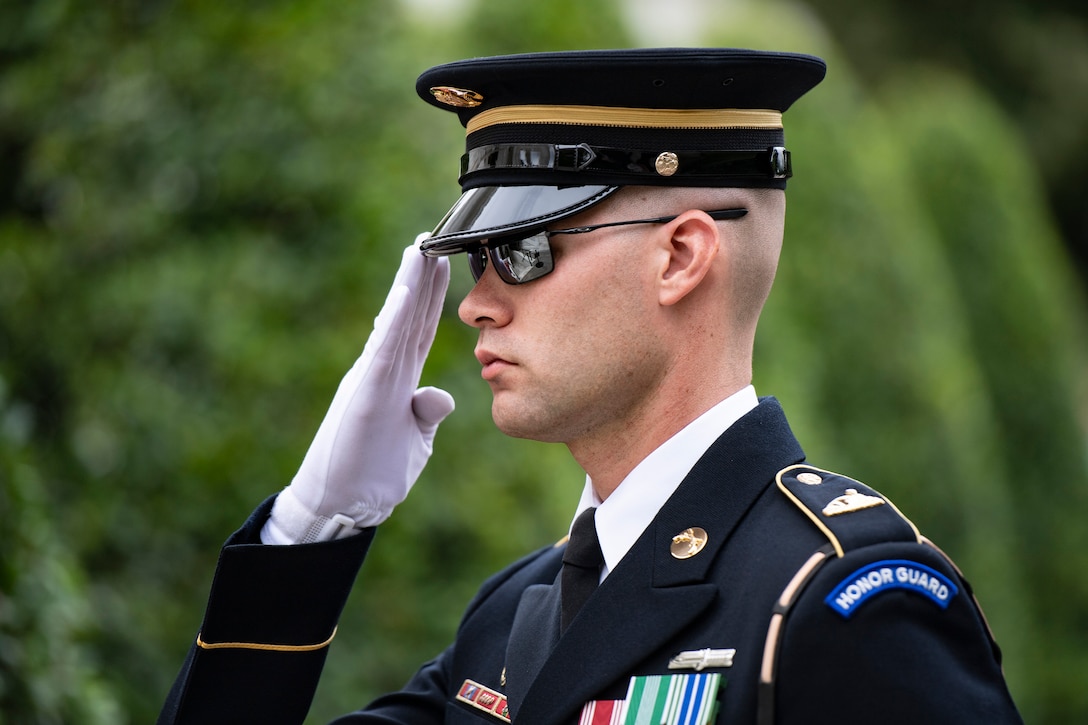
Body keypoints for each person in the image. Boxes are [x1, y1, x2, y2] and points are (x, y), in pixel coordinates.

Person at [158, 48, 1023, 724]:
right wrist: (311, 527)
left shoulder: (844, 607)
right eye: (477, 259)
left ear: (681, 255)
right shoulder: (513, 614)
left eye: (524, 250)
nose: (477, 306)